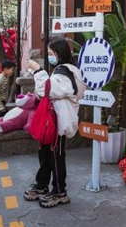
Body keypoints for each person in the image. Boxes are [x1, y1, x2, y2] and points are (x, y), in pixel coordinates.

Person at [23, 39, 86, 208]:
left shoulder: (66, 72)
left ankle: (59, 191)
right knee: (45, 154)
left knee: (55, 156)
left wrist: (38, 71)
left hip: (58, 123)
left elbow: (48, 89)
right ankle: (42, 185)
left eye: (51, 54)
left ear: (59, 54)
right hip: (52, 121)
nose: (49, 57)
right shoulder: (64, 71)